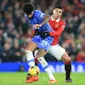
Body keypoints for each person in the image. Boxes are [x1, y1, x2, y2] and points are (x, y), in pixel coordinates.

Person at [34, 5, 73, 83]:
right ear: (53, 11)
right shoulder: (46, 20)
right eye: (57, 11)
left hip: (54, 45)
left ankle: (67, 79)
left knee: (68, 60)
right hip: (44, 44)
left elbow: (58, 33)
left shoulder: (62, 22)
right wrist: (36, 30)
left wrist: (48, 33)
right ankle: (34, 76)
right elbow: (36, 30)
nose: (58, 13)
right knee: (37, 57)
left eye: (60, 12)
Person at [22, 3, 57, 83]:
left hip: (47, 36)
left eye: (31, 14)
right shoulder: (26, 15)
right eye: (28, 14)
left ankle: (52, 78)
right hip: (39, 35)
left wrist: (40, 24)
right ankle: (33, 73)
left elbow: (48, 17)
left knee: (39, 56)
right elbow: (33, 24)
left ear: (33, 11)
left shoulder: (37, 13)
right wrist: (35, 28)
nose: (29, 16)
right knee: (27, 51)